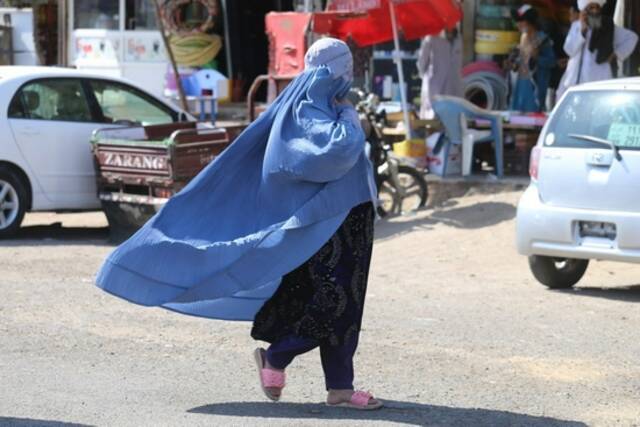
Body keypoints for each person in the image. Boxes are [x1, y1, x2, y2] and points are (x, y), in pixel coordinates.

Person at [95, 37, 382, 410]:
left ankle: (341, 387)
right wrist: (348, 116)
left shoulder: (325, 103)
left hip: (351, 217)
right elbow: (336, 152)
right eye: (346, 66)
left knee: (347, 302)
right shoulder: (310, 108)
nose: (351, 74)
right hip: (325, 224)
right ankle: (276, 358)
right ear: (332, 69)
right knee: (335, 301)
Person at [557, 0, 638, 99]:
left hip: (598, 80)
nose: (595, 11)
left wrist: (616, 54)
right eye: (591, 7)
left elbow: (632, 38)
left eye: (597, 7)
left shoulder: (608, 27)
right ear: (584, 10)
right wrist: (582, 31)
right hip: (576, 80)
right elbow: (569, 50)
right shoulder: (576, 26)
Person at [508, 5, 556, 112]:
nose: (518, 24)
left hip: (534, 87)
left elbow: (551, 62)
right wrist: (514, 63)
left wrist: (537, 57)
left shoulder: (543, 39)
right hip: (520, 85)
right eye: (517, 21)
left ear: (530, 22)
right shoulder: (523, 37)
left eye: (521, 21)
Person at [417, 27, 463, 119]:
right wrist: (426, 76)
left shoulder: (458, 39)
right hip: (435, 86)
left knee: (453, 116)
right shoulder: (431, 38)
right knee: (432, 117)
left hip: (453, 86)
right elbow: (422, 64)